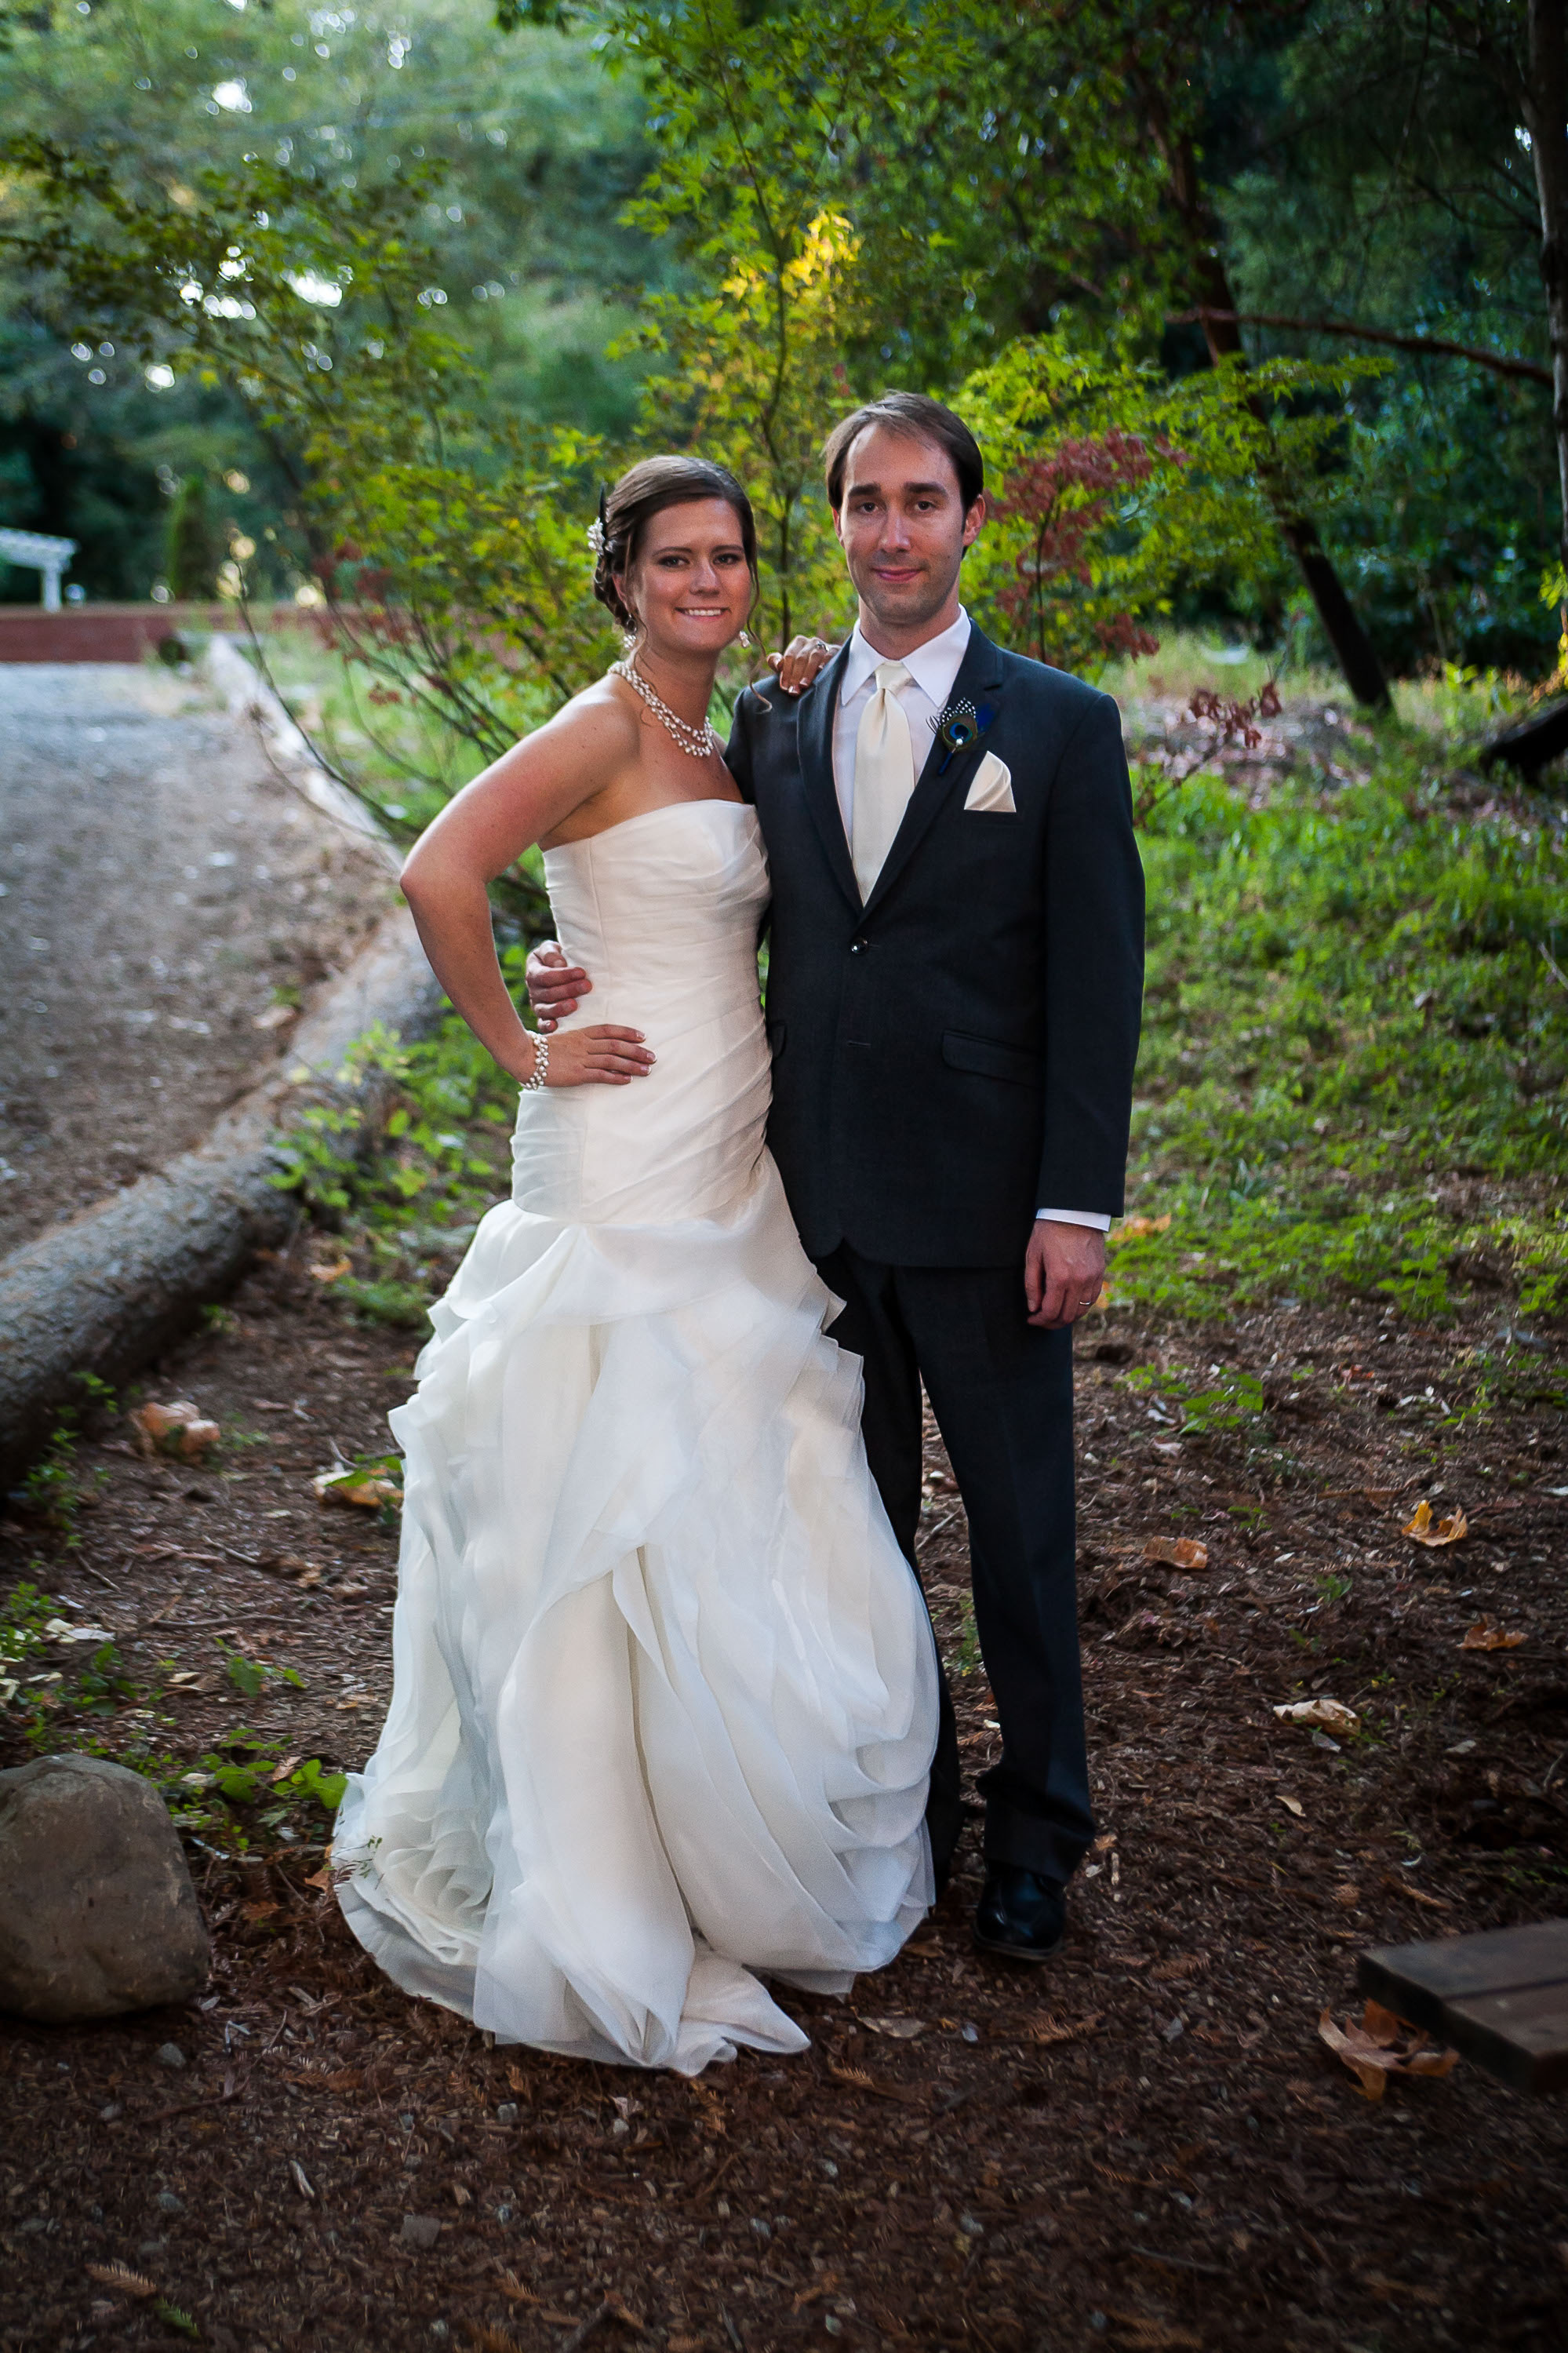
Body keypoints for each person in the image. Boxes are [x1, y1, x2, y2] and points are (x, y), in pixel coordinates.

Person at [332, 455, 940, 2075]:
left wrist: (797, 690)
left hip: (732, 1145)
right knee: (598, 1499)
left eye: (729, 558)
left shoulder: (729, 725)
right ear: (623, 580)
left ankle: (708, 1855)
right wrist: (518, 1045)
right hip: (616, 1146)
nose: (705, 582)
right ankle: (595, 1875)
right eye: (673, 561)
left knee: (719, 1481)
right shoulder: (602, 724)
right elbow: (439, 870)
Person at [529, 394, 1144, 1964]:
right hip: (806, 1208)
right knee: (853, 1547)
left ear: (968, 520)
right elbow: (691, 905)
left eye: (920, 502)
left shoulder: (1057, 727)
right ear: (840, 526)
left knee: (1016, 1540)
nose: (891, 530)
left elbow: (1098, 982)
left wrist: (1075, 1202)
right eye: (864, 504)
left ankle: (1036, 1834)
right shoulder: (772, 720)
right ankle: (899, 1820)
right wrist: (565, 963)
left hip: (991, 1211)